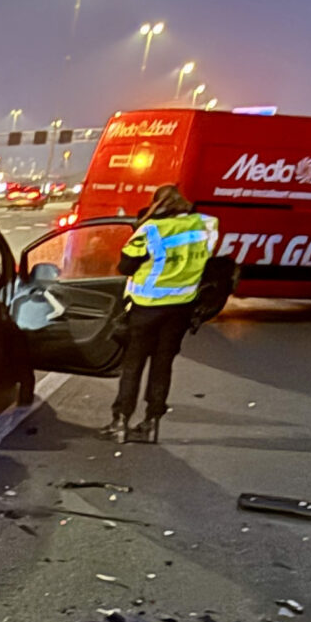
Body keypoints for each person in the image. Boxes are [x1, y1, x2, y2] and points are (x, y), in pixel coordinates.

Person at [103, 183, 218, 444]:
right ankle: (152, 423)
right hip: (180, 309)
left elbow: (125, 265)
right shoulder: (204, 226)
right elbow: (207, 258)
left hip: (146, 308)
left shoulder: (151, 229)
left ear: (158, 204)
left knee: (133, 365)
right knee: (162, 365)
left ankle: (120, 422)